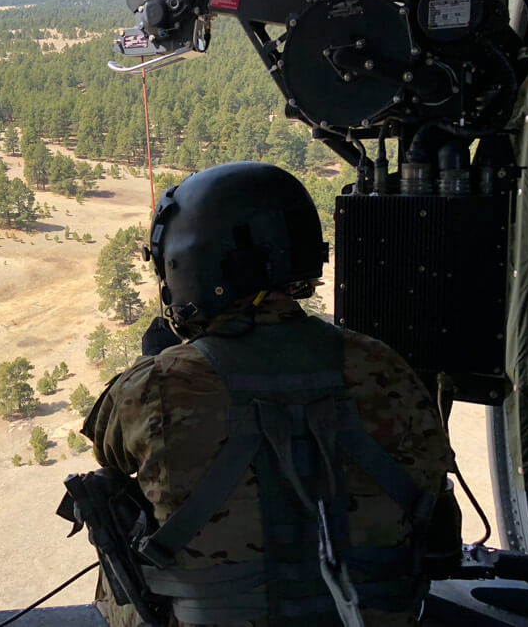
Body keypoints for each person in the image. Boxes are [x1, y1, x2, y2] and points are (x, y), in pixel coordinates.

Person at [80, 161, 454, 627]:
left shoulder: (159, 382)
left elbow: (106, 449)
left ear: (189, 263)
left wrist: (152, 363)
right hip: (369, 619)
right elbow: (433, 485)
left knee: (106, 494)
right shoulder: (382, 362)